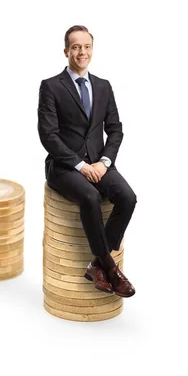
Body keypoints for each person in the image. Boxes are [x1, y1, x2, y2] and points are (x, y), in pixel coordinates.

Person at [37, 25, 137, 298]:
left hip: (100, 162)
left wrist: (104, 161)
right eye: (76, 47)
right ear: (66, 51)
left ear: (92, 50)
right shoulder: (50, 86)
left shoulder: (103, 86)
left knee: (128, 197)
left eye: (87, 46)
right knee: (91, 198)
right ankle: (110, 267)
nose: (82, 52)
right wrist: (80, 166)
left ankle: (96, 264)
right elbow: (48, 135)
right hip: (64, 166)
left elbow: (115, 129)